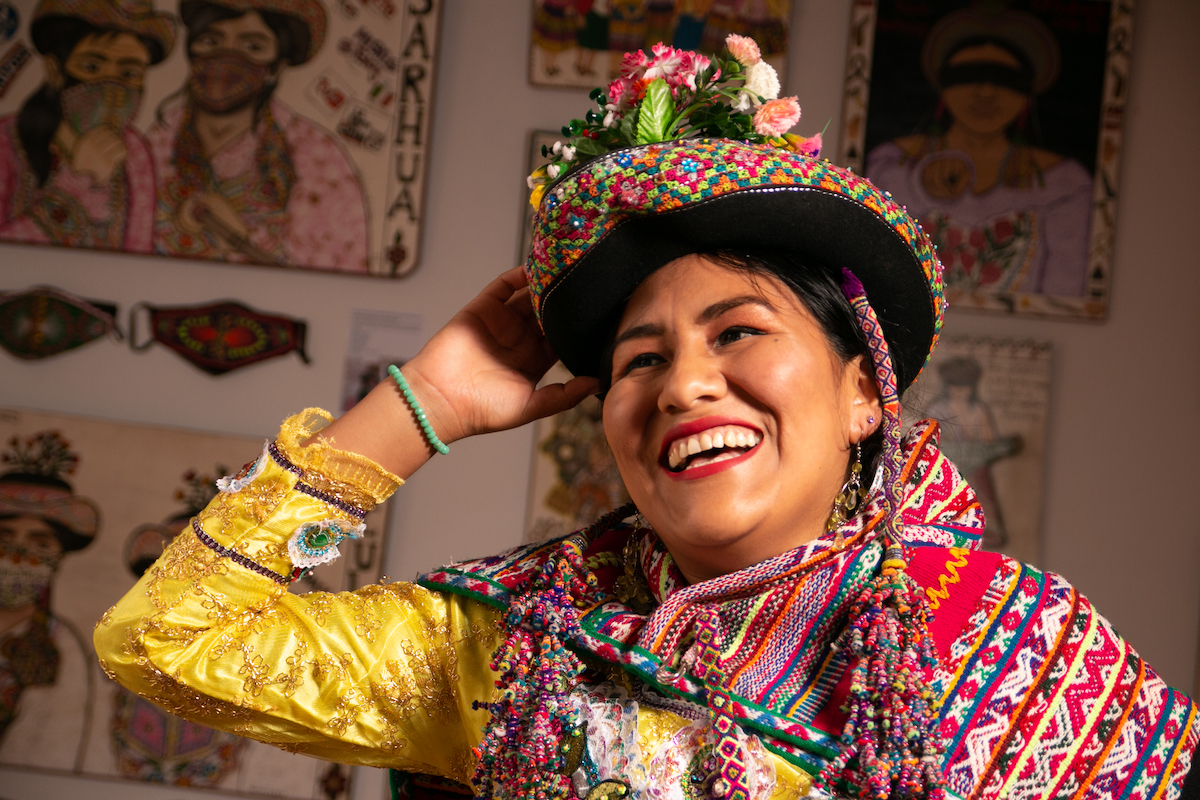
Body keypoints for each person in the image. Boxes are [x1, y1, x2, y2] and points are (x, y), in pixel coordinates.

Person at [95, 37, 1198, 800]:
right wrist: (423, 405)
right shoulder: (514, 650)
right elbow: (166, 640)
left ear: (867, 390)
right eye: (638, 359)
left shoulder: (1021, 657)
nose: (680, 386)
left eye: (737, 333)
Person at [865, 6, 1093, 304]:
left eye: (1005, 79)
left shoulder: (1065, 183)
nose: (986, 92)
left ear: (1027, 94)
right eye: (968, 76)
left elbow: (1066, 292)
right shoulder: (890, 162)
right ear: (942, 86)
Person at [148, 0, 369, 271]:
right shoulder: (158, 140)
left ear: (276, 67)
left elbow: (337, 280)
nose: (226, 56)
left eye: (252, 46)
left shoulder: (315, 155)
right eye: (211, 40)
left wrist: (241, 239)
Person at [0, 0, 174, 252]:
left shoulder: (134, 151)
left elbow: (139, 253)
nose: (112, 87)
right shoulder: (7, 142)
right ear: (54, 71)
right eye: (92, 67)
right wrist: (76, 186)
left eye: (129, 74)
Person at [0, 432, 99, 771]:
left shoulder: (62, 649)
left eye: (39, 543)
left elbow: (50, 753)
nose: (19, 555)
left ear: (58, 558)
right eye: (5, 537)